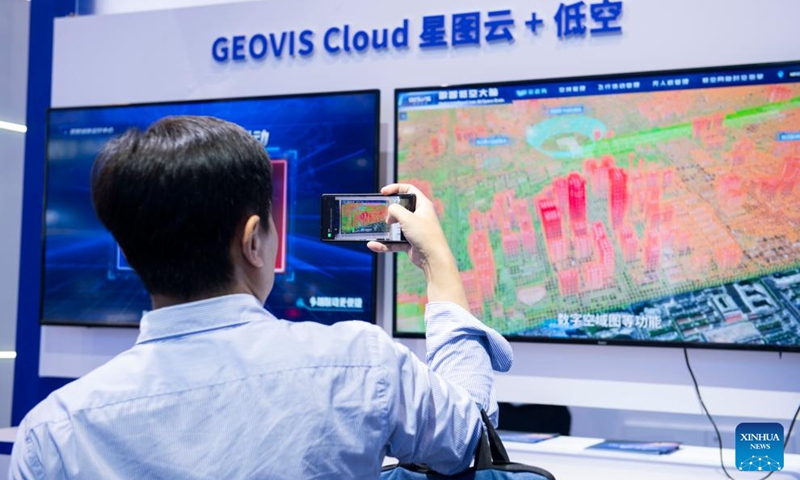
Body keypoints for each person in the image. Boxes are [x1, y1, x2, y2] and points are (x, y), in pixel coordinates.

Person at [9, 116, 512, 479]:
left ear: (127, 248)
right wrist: (439, 264)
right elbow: (471, 438)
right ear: (254, 240)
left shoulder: (52, 433)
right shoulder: (361, 364)